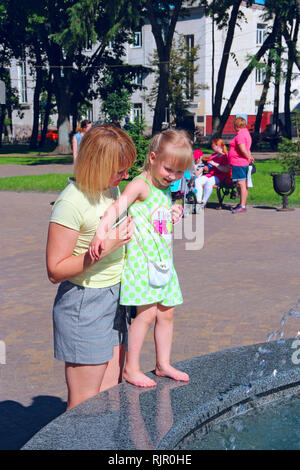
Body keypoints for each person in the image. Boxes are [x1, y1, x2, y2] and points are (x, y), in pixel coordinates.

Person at [89, 129, 194, 388]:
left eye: (179, 173)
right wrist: (100, 233)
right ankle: (131, 368)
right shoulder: (141, 184)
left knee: (167, 313)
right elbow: (117, 207)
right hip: (141, 265)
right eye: (169, 170)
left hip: (163, 263)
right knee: (145, 315)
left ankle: (163, 363)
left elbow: (156, 225)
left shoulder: (162, 187)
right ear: (153, 157)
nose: (173, 177)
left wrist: (171, 214)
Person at [46, 125, 136, 410]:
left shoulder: (109, 189)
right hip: (84, 303)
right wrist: (104, 248)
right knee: (85, 404)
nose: (125, 177)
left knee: (110, 395)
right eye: (119, 171)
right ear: (97, 166)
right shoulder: (70, 203)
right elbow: (54, 270)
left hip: (114, 296)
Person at [228, 117, 254, 213]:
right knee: (242, 184)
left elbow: (242, 149)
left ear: (237, 125)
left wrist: (249, 157)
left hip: (239, 163)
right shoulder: (246, 133)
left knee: (241, 184)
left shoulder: (240, 135)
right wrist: (249, 156)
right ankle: (242, 203)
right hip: (240, 162)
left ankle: (242, 206)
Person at [194, 139, 230, 206]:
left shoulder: (225, 156)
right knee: (197, 181)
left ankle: (204, 202)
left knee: (210, 181)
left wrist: (215, 164)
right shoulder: (213, 156)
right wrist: (206, 168)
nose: (212, 146)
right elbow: (209, 168)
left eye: (213, 145)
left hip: (222, 176)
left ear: (218, 146)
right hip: (211, 174)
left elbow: (226, 169)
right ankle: (198, 201)